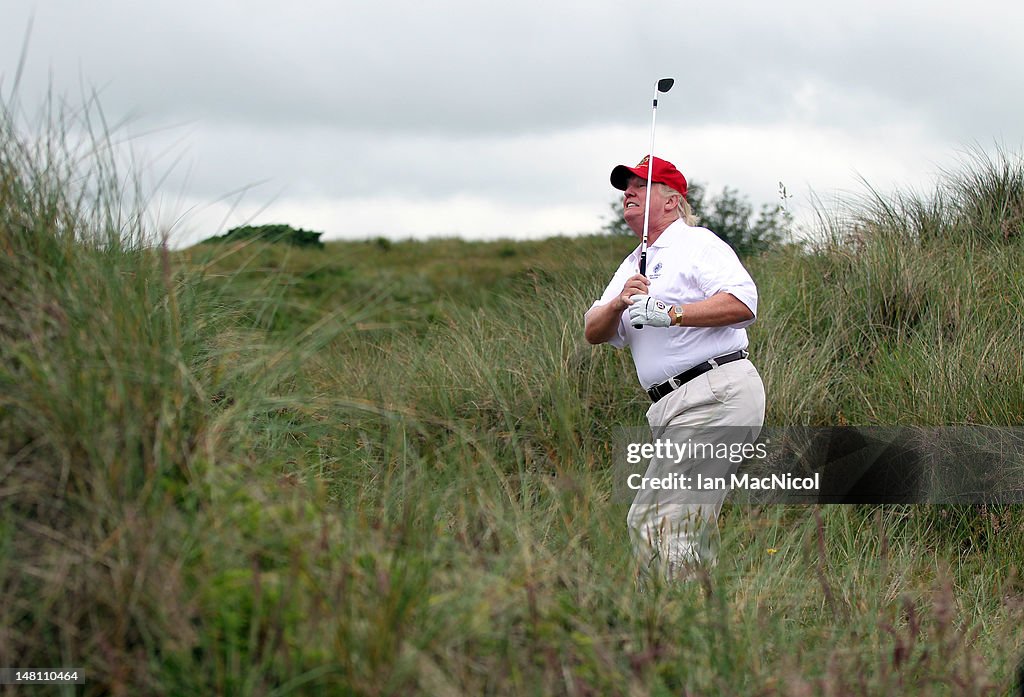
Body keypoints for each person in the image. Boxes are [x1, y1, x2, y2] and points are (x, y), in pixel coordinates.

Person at [584, 155, 766, 582]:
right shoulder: (633, 264)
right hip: (674, 406)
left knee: (660, 522)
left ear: (671, 200)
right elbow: (593, 329)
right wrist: (617, 303)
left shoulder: (696, 243)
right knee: (668, 523)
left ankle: (675, 630)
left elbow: (743, 304)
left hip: (714, 392)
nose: (628, 192)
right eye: (626, 187)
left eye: (641, 186)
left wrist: (672, 312)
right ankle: (699, 626)